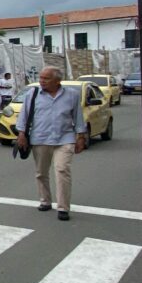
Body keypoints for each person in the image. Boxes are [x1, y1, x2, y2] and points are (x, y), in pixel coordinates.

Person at [15, 66, 87, 221]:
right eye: (41, 78)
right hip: (40, 138)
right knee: (41, 173)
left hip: (65, 138)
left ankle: (63, 208)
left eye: (46, 78)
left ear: (57, 80)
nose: (42, 81)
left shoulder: (72, 95)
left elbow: (78, 117)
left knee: (62, 170)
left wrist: (81, 136)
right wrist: (21, 134)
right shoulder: (32, 94)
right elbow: (24, 115)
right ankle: (45, 200)